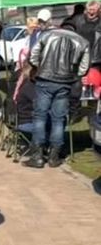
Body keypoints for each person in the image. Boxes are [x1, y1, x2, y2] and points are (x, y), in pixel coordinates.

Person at [23, 17, 90, 169]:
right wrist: (73, 75)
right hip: (65, 82)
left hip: (44, 79)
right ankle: (54, 156)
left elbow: (32, 57)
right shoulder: (82, 41)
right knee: (58, 119)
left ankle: (37, 156)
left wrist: (40, 68)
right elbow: (84, 68)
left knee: (40, 116)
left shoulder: (46, 35)